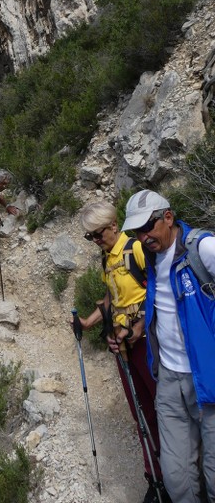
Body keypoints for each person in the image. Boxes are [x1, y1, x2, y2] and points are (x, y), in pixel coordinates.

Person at [122, 189, 215, 503]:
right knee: (177, 481)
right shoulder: (149, 257)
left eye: (148, 227)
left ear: (169, 217)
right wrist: (138, 327)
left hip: (209, 381)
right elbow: (162, 306)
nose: (143, 236)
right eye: (137, 231)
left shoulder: (203, 248)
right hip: (169, 381)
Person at [75, 201, 167, 503]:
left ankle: (179, 477)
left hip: (148, 343)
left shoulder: (136, 249)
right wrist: (88, 321)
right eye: (90, 237)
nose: (95, 241)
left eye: (98, 234)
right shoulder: (107, 258)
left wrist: (139, 324)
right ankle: (155, 477)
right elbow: (111, 296)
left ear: (114, 225)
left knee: (163, 411)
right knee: (140, 412)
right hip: (122, 344)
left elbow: (157, 289)